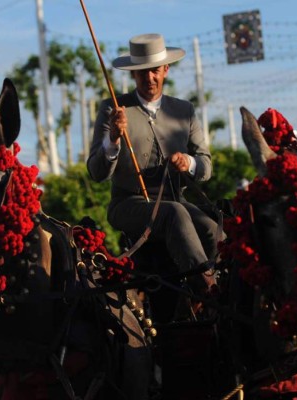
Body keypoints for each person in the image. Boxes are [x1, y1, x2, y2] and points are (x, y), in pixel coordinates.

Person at [87, 33, 222, 299]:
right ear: (133, 75)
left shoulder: (184, 110)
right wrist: (112, 139)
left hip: (175, 201)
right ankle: (207, 292)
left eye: (155, 71)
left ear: (165, 70)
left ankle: (225, 287)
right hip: (128, 204)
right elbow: (96, 172)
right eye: (142, 73)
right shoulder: (114, 109)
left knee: (211, 228)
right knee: (175, 214)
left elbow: (206, 166)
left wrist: (189, 162)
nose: (149, 78)